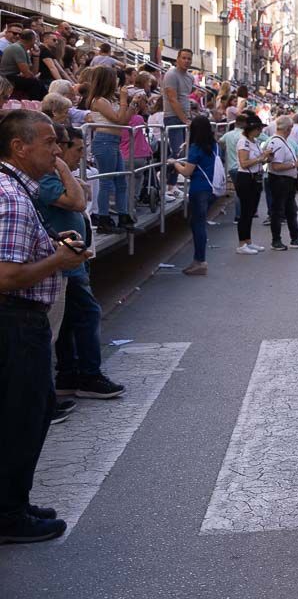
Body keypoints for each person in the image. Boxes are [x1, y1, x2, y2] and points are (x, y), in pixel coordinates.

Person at [0, 110, 91, 543]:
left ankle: (13, 503)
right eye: (50, 142)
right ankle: (8, 515)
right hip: (15, 322)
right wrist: (59, 259)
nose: (57, 150)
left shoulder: (16, 189)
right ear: (19, 147)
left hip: (17, 321)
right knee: (22, 417)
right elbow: (6, 276)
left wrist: (54, 249)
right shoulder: (12, 197)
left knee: (27, 413)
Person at [39, 126, 124, 400]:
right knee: (87, 314)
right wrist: (63, 167)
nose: (81, 155)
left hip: (73, 260)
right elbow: (77, 201)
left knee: (69, 321)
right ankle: (88, 375)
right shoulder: (49, 177)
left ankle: (69, 374)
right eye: (76, 149)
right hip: (65, 263)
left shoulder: (57, 177)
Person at [81, 66, 136, 233]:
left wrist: (133, 104)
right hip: (104, 141)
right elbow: (118, 119)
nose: (118, 81)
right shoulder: (99, 101)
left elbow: (124, 121)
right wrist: (124, 99)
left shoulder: (109, 100)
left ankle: (123, 216)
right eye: (115, 78)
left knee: (121, 181)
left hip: (113, 141)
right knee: (106, 181)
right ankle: (104, 219)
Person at [169, 117, 219, 276]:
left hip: (199, 189)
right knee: (198, 222)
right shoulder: (214, 146)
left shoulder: (196, 148)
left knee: (197, 224)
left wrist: (175, 163)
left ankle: (200, 261)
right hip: (212, 188)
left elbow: (186, 172)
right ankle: (199, 260)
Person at [265, 116, 298, 252]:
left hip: (286, 180)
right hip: (280, 180)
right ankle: (277, 240)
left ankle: (295, 238)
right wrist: (294, 164)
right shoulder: (278, 143)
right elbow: (276, 166)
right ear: (288, 129)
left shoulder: (281, 141)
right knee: (279, 211)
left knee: (290, 210)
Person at [234, 115, 270, 255]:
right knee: (245, 212)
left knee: (250, 211)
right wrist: (261, 158)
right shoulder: (243, 142)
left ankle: (248, 241)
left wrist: (266, 158)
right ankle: (241, 243)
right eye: (258, 129)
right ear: (251, 129)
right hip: (246, 178)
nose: (260, 131)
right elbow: (244, 163)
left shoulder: (254, 141)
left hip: (255, 177)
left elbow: (257, 161)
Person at [161, 49, 194, 197]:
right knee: (177, 152)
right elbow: (172, 99)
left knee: (181, 152)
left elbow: (185, 98)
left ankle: (171, 184)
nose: (186, 61)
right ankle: (165, 183)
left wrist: (188, 117)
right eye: (184, 58)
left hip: (185, 118)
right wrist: (185, 120)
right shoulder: (171, 75)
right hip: (172, 117)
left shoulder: (190, 77)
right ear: (178, 59)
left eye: (189, 58)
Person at [1, 30, 44, 100]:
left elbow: (33, 72)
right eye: (36, 40)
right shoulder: (17, 48)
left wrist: (36, 56)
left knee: (38, 82)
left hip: (13, 76)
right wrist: (33, 77)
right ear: (32, 40)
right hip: (6, 78)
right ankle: (34, 104)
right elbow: (27, 74)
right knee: (35, 83)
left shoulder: (23, 49)